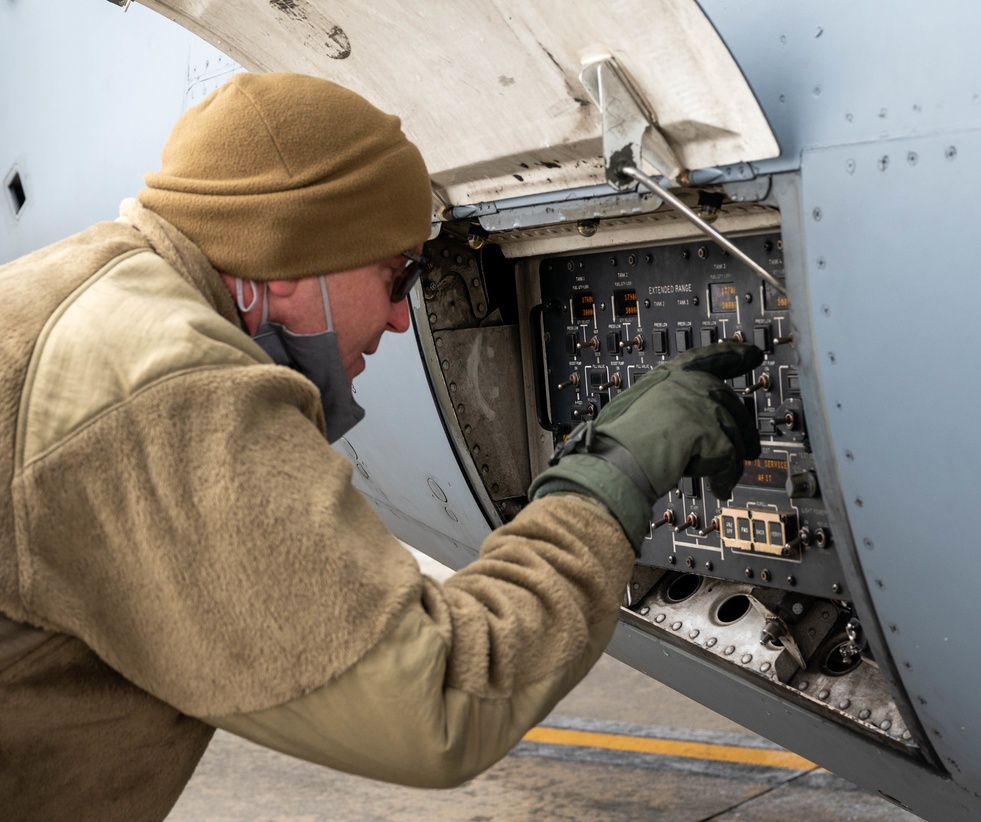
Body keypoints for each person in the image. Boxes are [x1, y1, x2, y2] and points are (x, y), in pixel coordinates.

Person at [0, 72, 762, 820]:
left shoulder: (85, 292)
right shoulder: (167, 388)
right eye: (399, 276)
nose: (403, 320)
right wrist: (609, 475)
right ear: (299, 258)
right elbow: (436, 701)